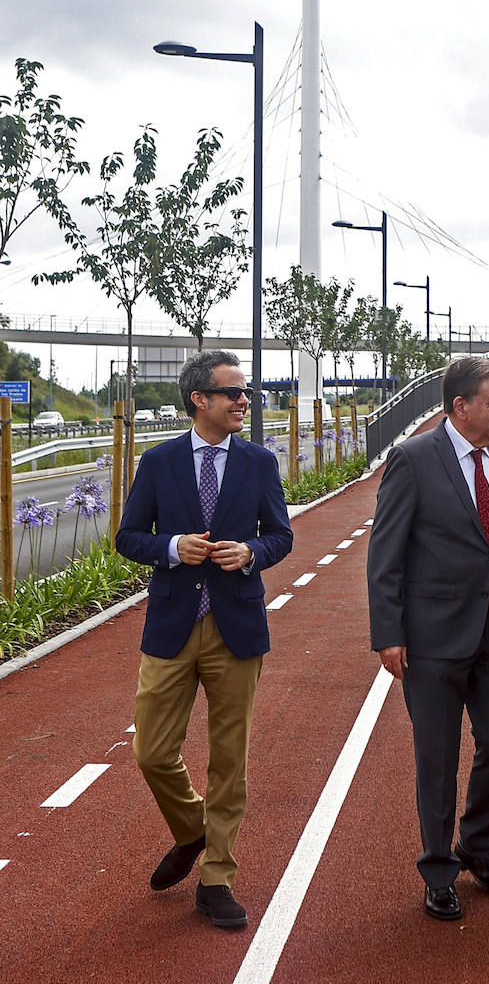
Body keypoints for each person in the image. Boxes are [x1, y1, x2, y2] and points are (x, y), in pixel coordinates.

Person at [116, 351, 293, 931]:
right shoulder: (159, 461)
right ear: (200, 400)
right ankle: (193, 829)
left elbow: (281, 536)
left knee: (228, 759)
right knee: (152, 751)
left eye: (246, 394)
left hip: (236, 626)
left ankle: (217, 877)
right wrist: (170, 548)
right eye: (234, 393)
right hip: (171, 625)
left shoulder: (260, 463)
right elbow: (128, 535)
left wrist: (252, 553)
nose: (245, 401)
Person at [366, 357, 489, 922]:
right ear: (459, 406)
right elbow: (385, 554)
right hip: (433, 637)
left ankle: (478, 849)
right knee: (437, 757)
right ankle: (439, 870)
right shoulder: (413, 460)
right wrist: (388, 634)